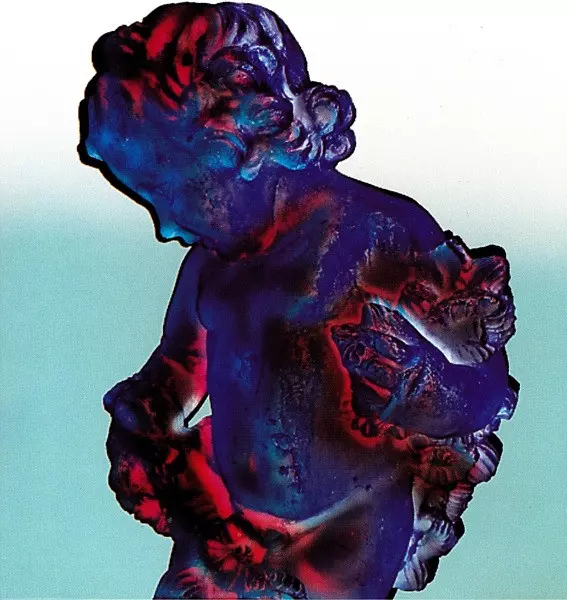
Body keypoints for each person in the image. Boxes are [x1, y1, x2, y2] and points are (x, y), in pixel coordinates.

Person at [78, 3, 518, 598]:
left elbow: (484, 385)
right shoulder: (209, 268)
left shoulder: (370, 233)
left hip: (350, 522)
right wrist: (149, 410)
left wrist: (419, 387)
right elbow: (180, 366)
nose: (164, 226)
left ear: (239, 148)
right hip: (229, 528)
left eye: (171, 194)